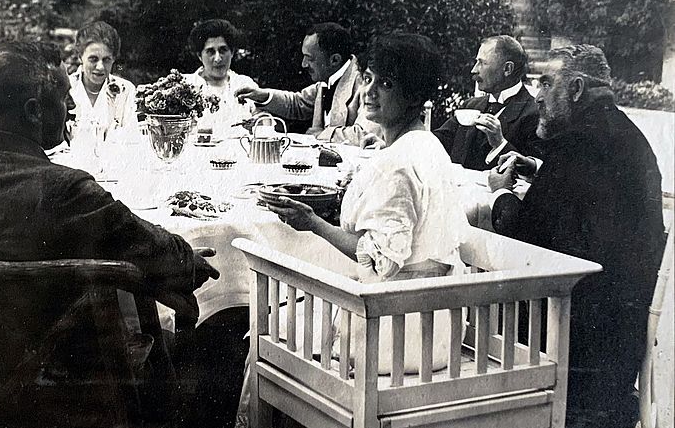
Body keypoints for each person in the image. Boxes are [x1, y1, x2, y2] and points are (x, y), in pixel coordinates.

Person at [0, 40, 219, 426]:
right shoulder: (65, 188)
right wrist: (186, 259)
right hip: (74, 381)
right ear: (33, 111)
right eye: (64, 97)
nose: (72, 107)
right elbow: (162, 257)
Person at [266, 33, 468, 370]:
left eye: (386, 84)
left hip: (397, 332)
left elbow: (379, 263)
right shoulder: (427, 145)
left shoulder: (399, 163)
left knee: (270, 316)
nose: (369, 92)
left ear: (415, 95)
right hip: (437, 323)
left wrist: (313, 223)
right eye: (368, 78)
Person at [488, 45, 665, 428]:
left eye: (547, 84)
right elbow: (586, 210)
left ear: (577, 89)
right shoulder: (625, 135)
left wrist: (500, 194)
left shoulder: (578, 144)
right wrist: (539, 171)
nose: (537, 95)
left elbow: (527, 241)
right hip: (619, 334)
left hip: (580, 347)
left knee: (482, 304)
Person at [235, 22, 377, 146]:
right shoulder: (326, 81)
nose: (303, 64)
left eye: (309, 59)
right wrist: (261, 95)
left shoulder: (366, 85)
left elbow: (364, 134)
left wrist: (320, 134)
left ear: (334, 60)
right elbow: (297, 103)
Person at [433, 35, 539, 170]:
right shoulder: (470, 106)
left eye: (482, 63)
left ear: (507, 69)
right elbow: (437, 141)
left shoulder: (534, 114)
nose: (474, 70)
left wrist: (500, 143)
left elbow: (534, 174)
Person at [182, 19, 256, 139]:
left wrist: (257, 125)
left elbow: (265, 123)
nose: (217, 58)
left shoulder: (245, 84)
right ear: (199, 56)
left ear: (232, 52)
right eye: (210, 51)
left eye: (223, 50)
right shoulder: (185, 86)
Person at [67, 21, 138, 140]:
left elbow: (131, 139)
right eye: (93, 59)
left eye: (106, 60)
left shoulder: (126, 91)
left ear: (114, 59)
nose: (100, 67)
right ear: (80, 57)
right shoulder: (67, 89)